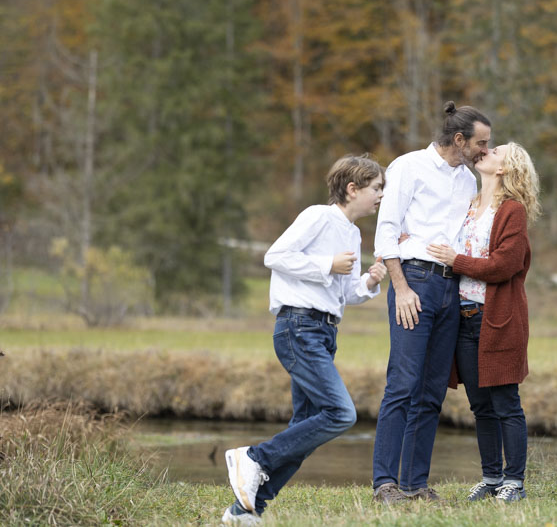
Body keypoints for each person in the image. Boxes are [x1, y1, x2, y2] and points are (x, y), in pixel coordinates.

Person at [221, 155, 388, 526]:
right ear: (353, 189)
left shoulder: (352, 233)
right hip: (299, 327)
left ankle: (244, 512)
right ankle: (254, 458)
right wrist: (327, 264)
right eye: (377, 188)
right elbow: (275, 256)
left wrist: (369, 281)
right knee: (341, 413)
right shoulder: (318, 216)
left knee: (305, 430)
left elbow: (345, 293)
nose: (380, 196)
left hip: (324, 331)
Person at [371, 102, 492, 503]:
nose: (485, 150)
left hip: (451, 288)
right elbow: (387, 230)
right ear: (459, 139)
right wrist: (402, 288)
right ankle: (384, 483)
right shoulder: (408, 166)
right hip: (415, 283)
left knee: (432, 390)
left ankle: (414, 484)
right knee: (402, 384)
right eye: (481, 143)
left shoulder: (468, 181)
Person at [426, 142, 540, 503]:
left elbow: (506, 264)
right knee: (480, 407)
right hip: (462, 319)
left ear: (504, 168)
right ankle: (491, 478)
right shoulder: (468, 206)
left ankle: (514, 483)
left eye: (495, 152)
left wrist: (456, 261)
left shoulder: (512, 211)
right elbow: (441, 240)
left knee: (506, 403)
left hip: (498, 320)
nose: (486, 151)